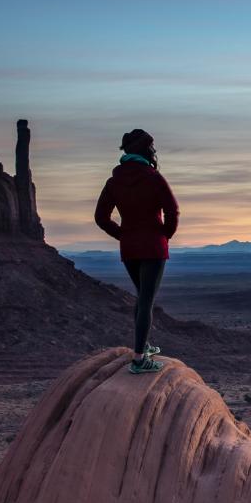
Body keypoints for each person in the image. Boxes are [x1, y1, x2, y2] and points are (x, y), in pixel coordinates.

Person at [94, 129, 180, 373]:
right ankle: (140, 360)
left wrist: (123, 235)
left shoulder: (114, 182)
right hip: (153, 246)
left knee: (142, 297)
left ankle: (142, 346)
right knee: (146, 301)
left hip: (130, 247)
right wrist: (165, 234)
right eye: (152, 147)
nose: (154, 151)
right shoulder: (153, 177)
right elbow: (173, 210)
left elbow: (101, 217)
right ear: (145, 150)